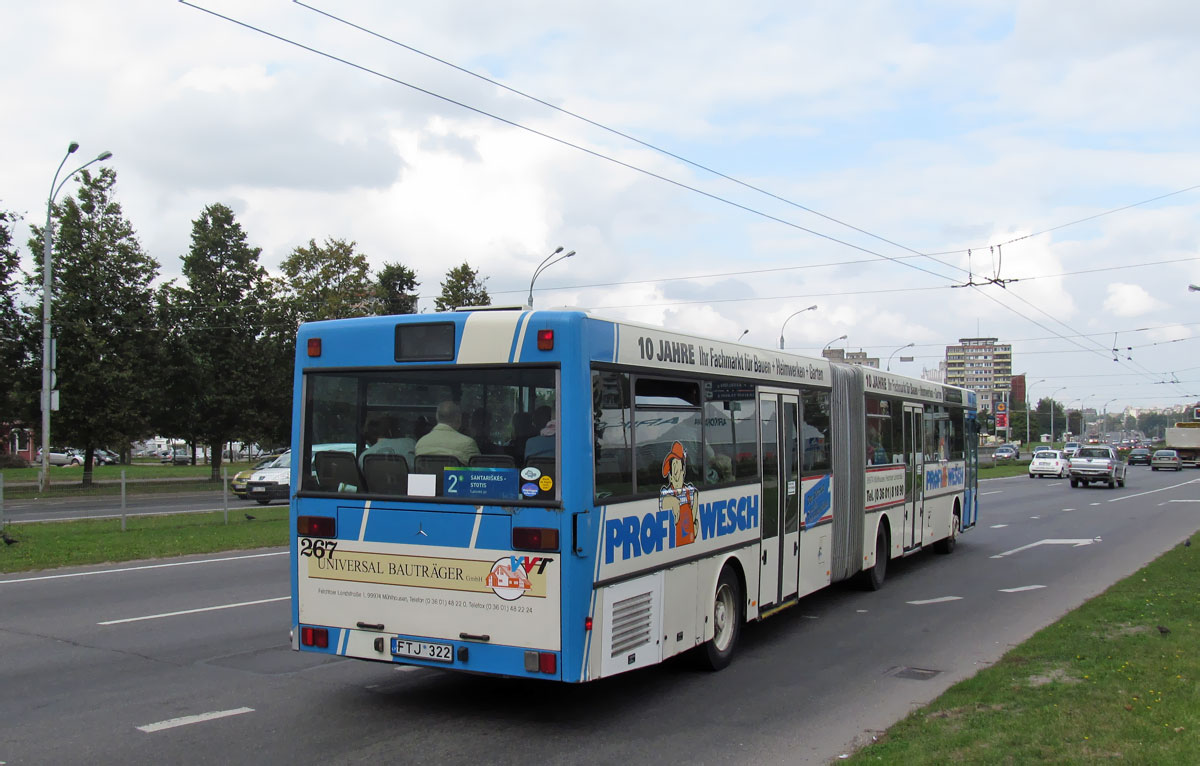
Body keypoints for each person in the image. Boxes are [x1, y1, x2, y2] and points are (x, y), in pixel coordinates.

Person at [415, 400, 480, 466]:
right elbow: (479, 473)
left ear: (437, 417)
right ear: (459, 418)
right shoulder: (468, 444)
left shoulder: (420, 443)